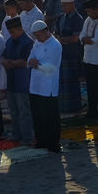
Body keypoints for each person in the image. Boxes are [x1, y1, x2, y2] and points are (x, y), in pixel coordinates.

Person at [27, 20, 63, 152]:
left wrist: (37, 64)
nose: (37, 38)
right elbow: (30, 58)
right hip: (35, 84)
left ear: (45, 31)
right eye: (35, 36)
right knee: (37, 115)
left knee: (50, 116)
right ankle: (41, 140)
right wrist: (34, 63)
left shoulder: (55, 45)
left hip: (48, 86)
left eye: (38, 35)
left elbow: (50, 68)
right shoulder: (37, 42)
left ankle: (53, 144)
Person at [0, 17, 34, 144]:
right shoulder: (9, 41)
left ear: (20, 29)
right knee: (13, 111)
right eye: (10, 32)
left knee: (24, 111)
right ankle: (16, 135)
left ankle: (27, 138)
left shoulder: (28, 42)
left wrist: (11, 63)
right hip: (11, 82)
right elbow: (3, 56)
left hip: (22, 82)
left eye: (13, 32)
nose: (11, 34)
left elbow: (25, 62)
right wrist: (5, 62)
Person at [79, 0, 98, 120]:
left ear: (96, 9)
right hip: (88, 58)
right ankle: (92, 111)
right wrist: (87, 39)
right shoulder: (88, 20)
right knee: (90, 87)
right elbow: (81, 35)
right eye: (87, 12)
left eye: (89, 11)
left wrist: (87, 40)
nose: (88, 14)